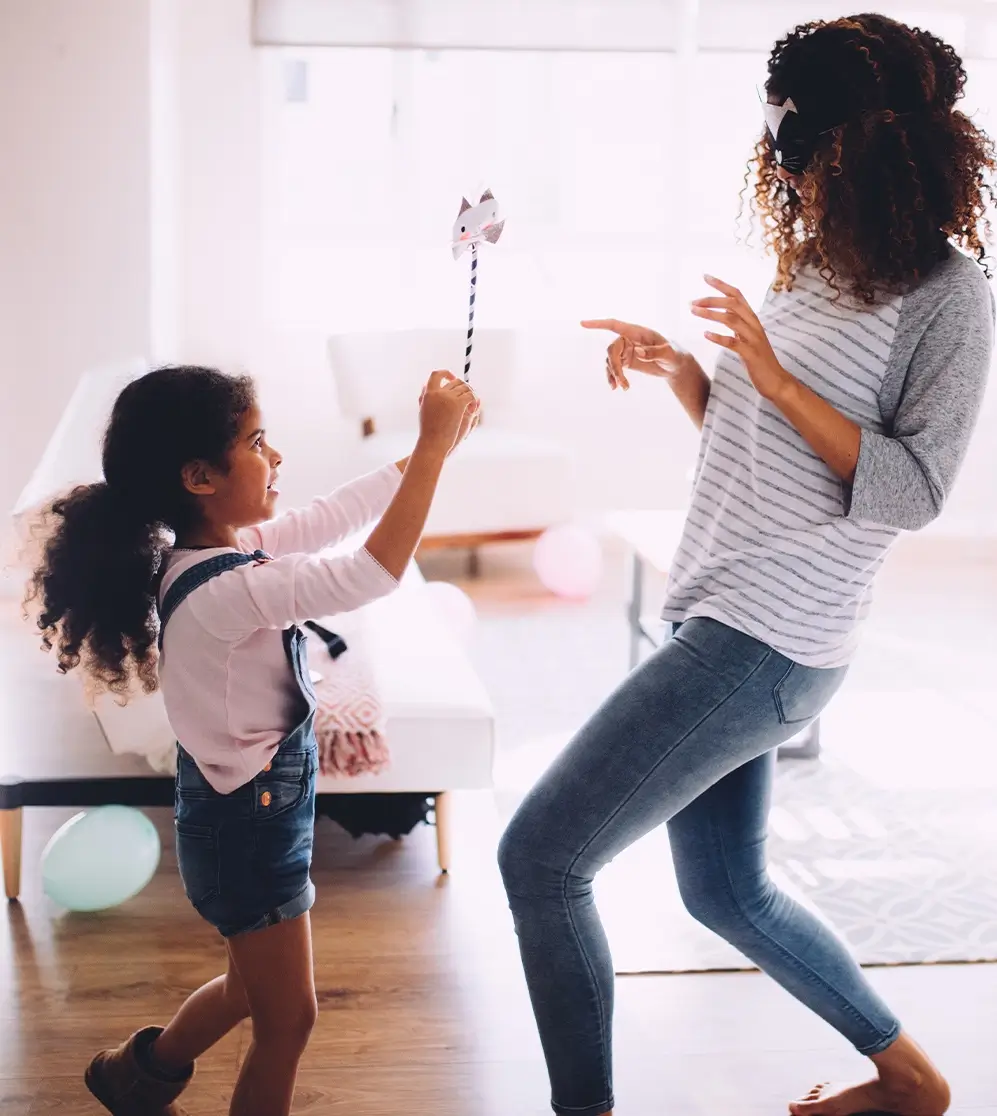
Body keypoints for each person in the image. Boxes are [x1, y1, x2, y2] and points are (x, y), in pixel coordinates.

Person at [498, 14, 994, 1116]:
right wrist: (688, 372)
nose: (784, 169)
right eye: (777, 146)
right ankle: (909, 1080)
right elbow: (764, 441)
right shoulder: (817, 261)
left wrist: (769, 376)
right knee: (726, 891)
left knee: (540, 859)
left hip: (771, 637)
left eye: (800, 149)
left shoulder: (950, 299)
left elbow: (913, 492)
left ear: (871, 148)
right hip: (719, 609)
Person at [27, 364, 478, 1116]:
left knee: (248, 990)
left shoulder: (225, 550)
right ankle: (137, 1075)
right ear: (199, 476)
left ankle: (134, 1076)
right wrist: (429, 452)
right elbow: (371, 573)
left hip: (248, 815)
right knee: (287, 1018)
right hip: (247, 827)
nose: (275, 458)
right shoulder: (229, 589)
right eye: (256, 442)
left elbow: (337, 515)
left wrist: (433, 449)